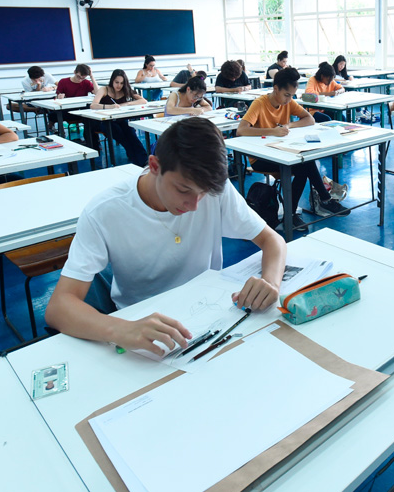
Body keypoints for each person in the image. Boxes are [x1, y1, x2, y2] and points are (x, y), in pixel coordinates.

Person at [44, 118, 286, 356]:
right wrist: (120, 329)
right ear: (154, 166)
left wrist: (271, 283)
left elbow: (273, 241)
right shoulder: (105, 211)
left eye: (202, 194)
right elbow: (59, 307)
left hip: (207, 315)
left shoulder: (214, 190)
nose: (194, 205)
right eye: (183, 190)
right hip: (139, 324)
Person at [237, 66, 350, 231]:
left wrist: (289, 124)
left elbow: (309, 119)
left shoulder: (288, 103)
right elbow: (241, 130)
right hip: (260, 158)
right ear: (276, 89)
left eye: (292, 96)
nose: (289, 100)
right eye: (286, 95)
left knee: (305, 164)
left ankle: (293, 213)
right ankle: (324, 200)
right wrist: (273, 131)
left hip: (280, 150)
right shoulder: (259, 104)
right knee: (305, 165)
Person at [89, 69, 150, 167]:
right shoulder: (104, 89)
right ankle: (138, 162)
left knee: (131, 133)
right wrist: (110, 106)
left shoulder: (125, 90)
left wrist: (126, 103)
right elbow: (93, 105)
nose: (119, 85)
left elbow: (143, 101)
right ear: (112, 80)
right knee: (121, 135)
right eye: (116, 82)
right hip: (105, 122)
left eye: (121, 83)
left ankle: (144, 161)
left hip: (120, 120)